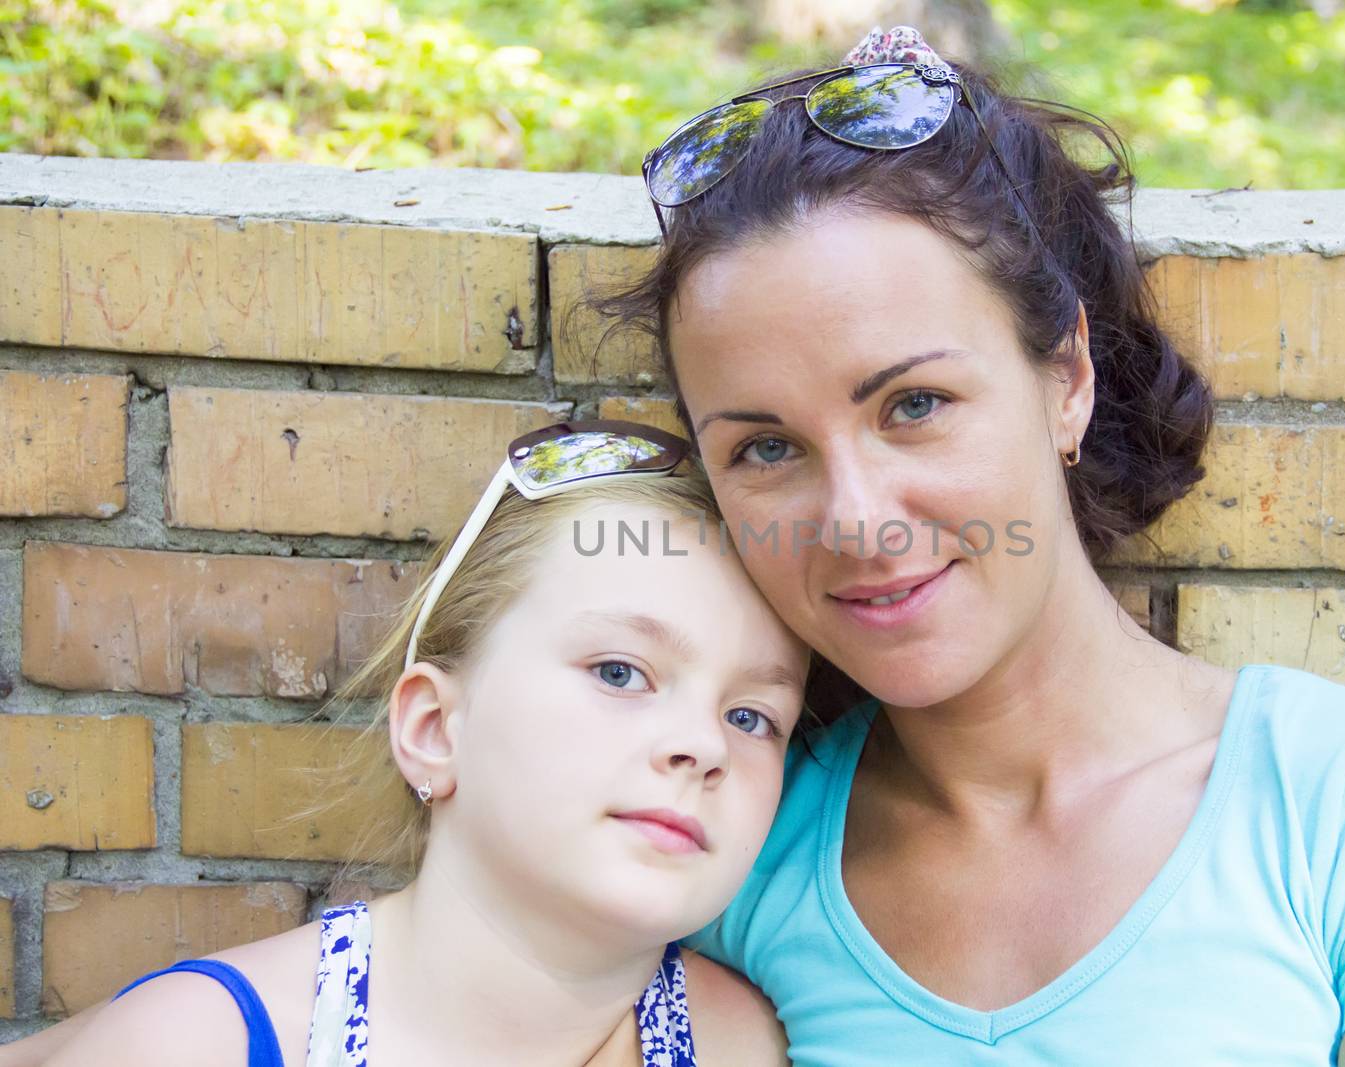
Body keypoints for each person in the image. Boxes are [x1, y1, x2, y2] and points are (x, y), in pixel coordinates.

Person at [597, 24, 1345, 1066]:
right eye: (765, 447)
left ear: (1067, 377)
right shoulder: (723, 845)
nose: (855, 518)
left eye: (915, 403)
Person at [27, 423, 805, 1067]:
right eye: (620, 670)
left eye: (751, 717)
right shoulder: (197, 1046)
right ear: (434, 729)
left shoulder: (751, 1041)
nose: (704, 744)